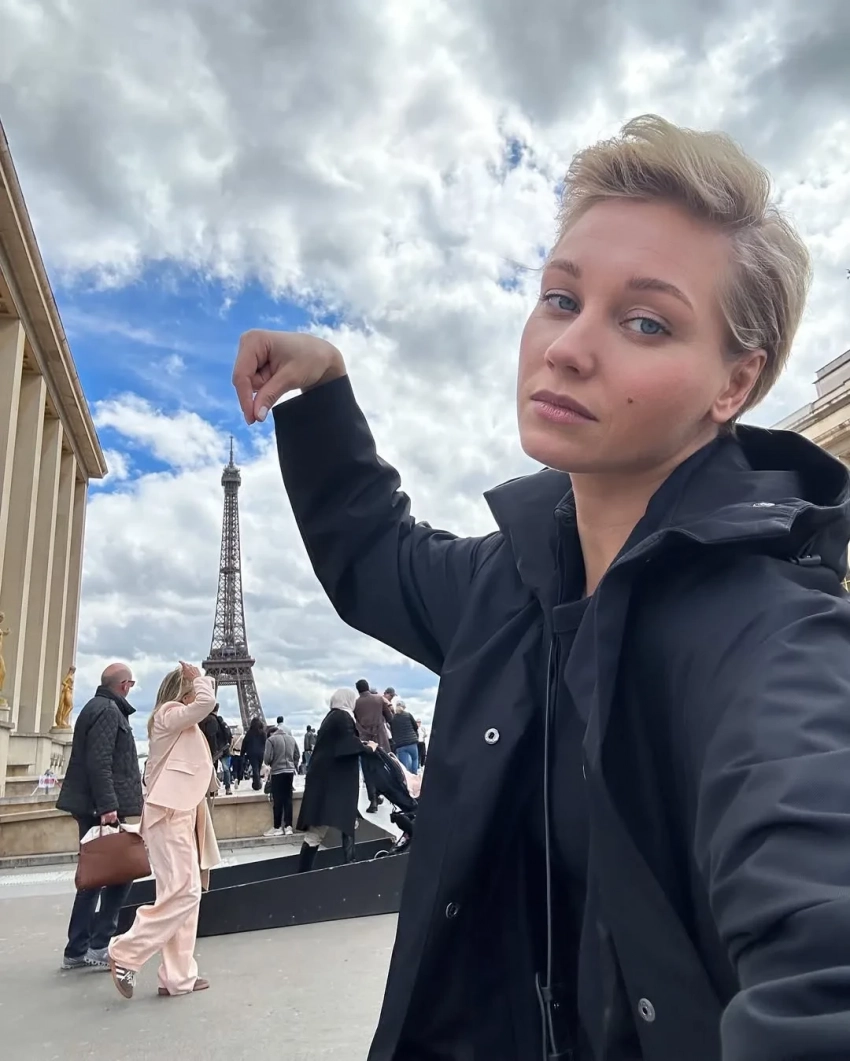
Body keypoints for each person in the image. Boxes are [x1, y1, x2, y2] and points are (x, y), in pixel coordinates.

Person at [233, 114, 850, 1060]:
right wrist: (324, 390)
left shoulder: (775, 642)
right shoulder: (510, 581)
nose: (567, 347)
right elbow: (376, 556)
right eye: (561, 299)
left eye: (646, 321)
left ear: (735, 384)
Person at [107, 661, 220, 1000]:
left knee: (179, 897)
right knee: (185, 894)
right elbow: (207, 702)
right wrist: (199, 680)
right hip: (170, 816)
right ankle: (126, 951)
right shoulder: (168, 714)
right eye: (192, 690)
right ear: (183, 694)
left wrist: (199, 681)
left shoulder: (178, 721)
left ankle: (178, 977)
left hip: (178, 814)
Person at [56, 662, 142, 971]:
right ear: (124, 685)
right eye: (131, 684)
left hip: (93, 805)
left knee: (94, 877)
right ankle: (97, 944)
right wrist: (108, 807)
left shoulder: (97, 707)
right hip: (101, 808)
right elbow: (100, 762)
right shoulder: (108, 711)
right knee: (118, 874)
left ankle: (78, 948)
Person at [295, 688, 367, 872]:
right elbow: (347, 744)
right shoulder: (343, 717)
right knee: (329, 828)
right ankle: (347, 867)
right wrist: (368, 747)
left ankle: (305, 873)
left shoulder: (331, 717)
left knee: (343, 823)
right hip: (334, 787)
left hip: (326, 784)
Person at [354, 678, 393, 813]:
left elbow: (355, 722)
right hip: (380, 739)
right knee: (382, 767)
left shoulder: (355, 703)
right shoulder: (379, 699)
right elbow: (390, 718)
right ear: (368, 687)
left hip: (365, 740)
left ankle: (373, 800)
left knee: (368, 770)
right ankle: (384, 793)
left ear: (358, 690)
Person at [263, 721, 300, 836]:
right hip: (289, 771)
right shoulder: (291, 739)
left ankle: (277, 827)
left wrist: (273, 762)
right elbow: (297, 755)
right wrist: (292, 764)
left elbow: (267, 759)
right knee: (288, 798)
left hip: (277, 771)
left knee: (277, 800)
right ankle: (289, 827)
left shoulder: (271, 740)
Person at [199, 701, 232, 795]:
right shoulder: (220, 720)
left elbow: (211, 736)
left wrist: (213, 751)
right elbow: (228, 735)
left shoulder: (208, 720)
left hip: (215, 750)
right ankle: (228, 788)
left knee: (213, 770)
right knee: (226, 769)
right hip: (224, 748)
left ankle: (214, 790)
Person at [389, 700, 420, 774]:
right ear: (404, 707)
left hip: (400, 745)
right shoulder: (408, 715)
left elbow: (392, 730)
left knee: (404, 766)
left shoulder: (393, 718)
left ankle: (408, 778)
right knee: (415, 759)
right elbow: (416, 727)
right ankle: (414, 774)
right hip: (412, 742)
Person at [241, 716, 266, 790]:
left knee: (255, 768)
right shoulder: (263, 733)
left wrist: (242, 753)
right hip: (261, 753)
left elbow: (244, 743)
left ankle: (257, 783)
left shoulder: (249, 733)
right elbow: (266, 743)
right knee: (258, 768)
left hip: (252, 753)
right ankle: (257, 783)